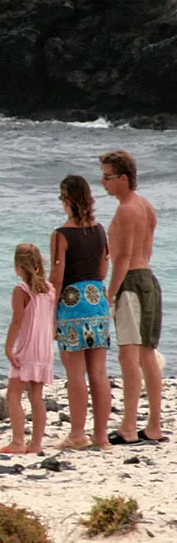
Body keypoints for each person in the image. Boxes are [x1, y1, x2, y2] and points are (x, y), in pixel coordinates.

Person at [101, 149, 166, 444]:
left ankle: (129, 427)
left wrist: (109, 294)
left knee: (129, 356)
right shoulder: (146, 206)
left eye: (108, 177)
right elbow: (147, 250)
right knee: (147, 353)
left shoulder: (127, 209)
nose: (103, 182)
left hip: (131, 283)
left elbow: (123, 258)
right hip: (149, 279)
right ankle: (154, 425)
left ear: (123, 178)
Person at [50, 175, 112, 450]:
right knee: (98, 372)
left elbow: (57, 278)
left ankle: (77, 434)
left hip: (73, 302)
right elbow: (102, 270)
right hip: (97, 299)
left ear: (68, 200)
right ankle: (101, 436)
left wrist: (51, 313)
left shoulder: (61, 235)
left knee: (75, 374)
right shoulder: (99, 230)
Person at [1, 244, 57, 454]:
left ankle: (17, 442)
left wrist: (9, 347)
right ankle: (35, 444)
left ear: (18, 267)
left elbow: (17, 321)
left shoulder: (21, 290)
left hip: (27, 347)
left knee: (13, 395)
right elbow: (51, 320)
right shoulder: (49, 289)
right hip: (44, 348)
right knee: (37, 397)